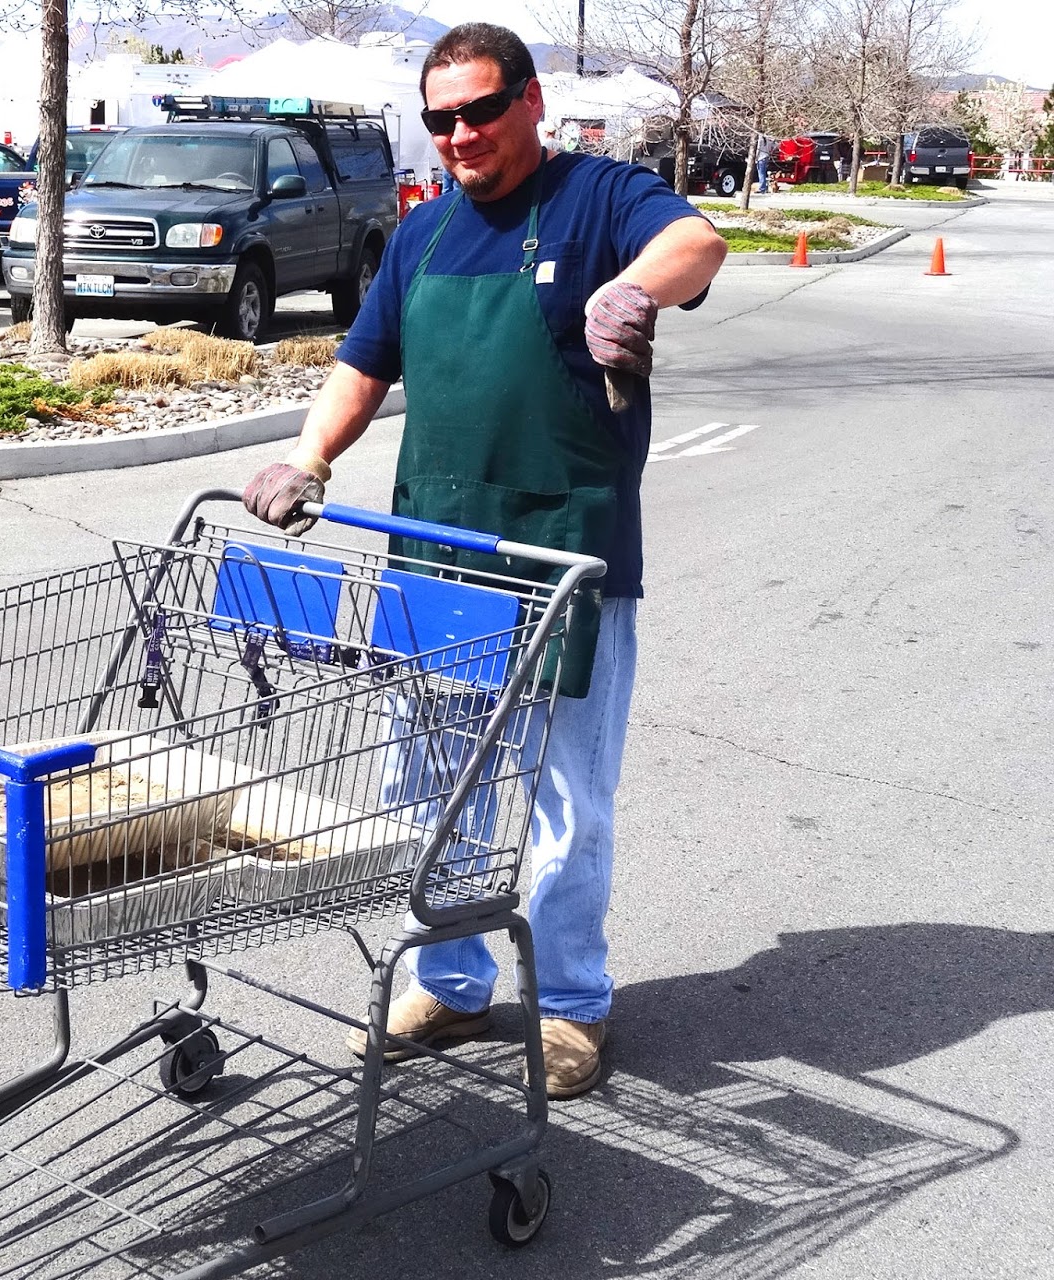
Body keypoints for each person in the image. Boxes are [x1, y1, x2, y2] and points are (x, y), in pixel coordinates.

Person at [240, 22, 726, 1100]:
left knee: (564, 802)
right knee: (429, 791)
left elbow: (696, 245)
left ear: (530, 101)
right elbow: (363, 367)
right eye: (440, 118)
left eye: (479, 109)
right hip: (438, 558)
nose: (459, 133)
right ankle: (453, 979)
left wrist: (630, 290)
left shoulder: (602, 199)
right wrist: (309, 455)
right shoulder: (422, 236)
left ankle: (569, 1003)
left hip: (568, 556)